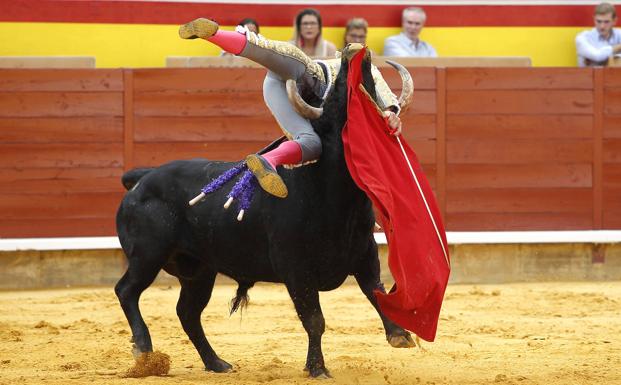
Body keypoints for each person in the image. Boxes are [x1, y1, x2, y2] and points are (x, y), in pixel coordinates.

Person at [178, 18, 402, 198]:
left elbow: (387, 102)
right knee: (296, 62)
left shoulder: (369, 73)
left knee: (311, 144)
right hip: (304, 81)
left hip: (279, 90)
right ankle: (214, 34)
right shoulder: (345, 68)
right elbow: (385, 98)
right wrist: (391, 112)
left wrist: (391, 113)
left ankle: (269, 161)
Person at [576, 2, 621, 66]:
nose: (602, 26)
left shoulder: (619, 34)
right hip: (588, 76)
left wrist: (603, 60)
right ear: (594, 19)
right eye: (599, 21)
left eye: (606, 22)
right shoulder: (583, 38)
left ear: (614, 21)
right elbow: (597, 56)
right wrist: (618, 48)